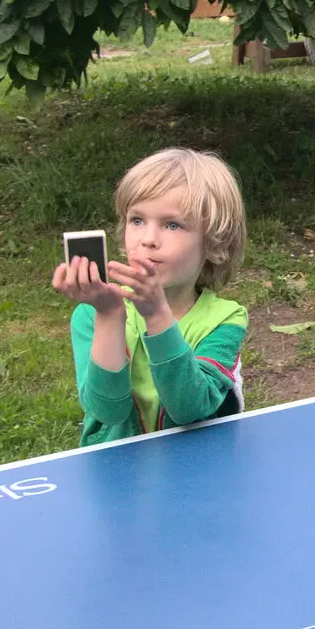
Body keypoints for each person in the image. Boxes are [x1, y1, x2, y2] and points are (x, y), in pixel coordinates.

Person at [51, 148, 250, 446]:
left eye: (172, 225)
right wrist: (109, 316)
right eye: (137, 220)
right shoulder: (91, 315)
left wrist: (157, 316)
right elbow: (107, 410)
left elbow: (189, 409)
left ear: (216, 244)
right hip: (117, 473)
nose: (148, 239)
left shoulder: (224, 321)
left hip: (195, 468)